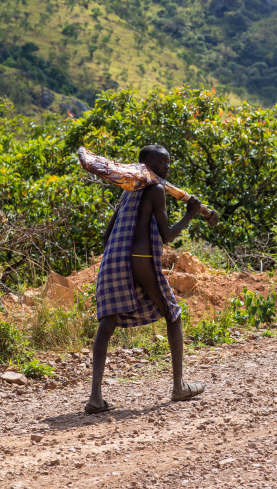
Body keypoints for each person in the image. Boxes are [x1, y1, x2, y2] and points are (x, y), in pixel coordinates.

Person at [85, 144, 205, 414]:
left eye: (168, 163)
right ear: (145, 167)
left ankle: (95, 397)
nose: (167, 168)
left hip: (116, 258)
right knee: (172, 313)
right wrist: (190, 213)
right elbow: (166, 237)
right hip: (141, 259)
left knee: (108, 320)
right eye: (162, 164)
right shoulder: (156, 189)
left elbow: (108, 235)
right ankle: (179, 386)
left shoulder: (128, 190)